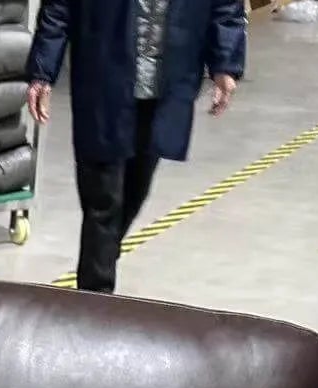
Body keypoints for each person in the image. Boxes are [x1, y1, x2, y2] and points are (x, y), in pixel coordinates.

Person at [26, 0, 246, 293]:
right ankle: (96, 299)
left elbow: (225, 6)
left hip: (166, 83)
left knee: (136, 189)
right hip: (104, 77)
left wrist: (225, 64)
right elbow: (59, 7)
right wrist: (43, 70)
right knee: (103, 199)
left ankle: (99, 267)